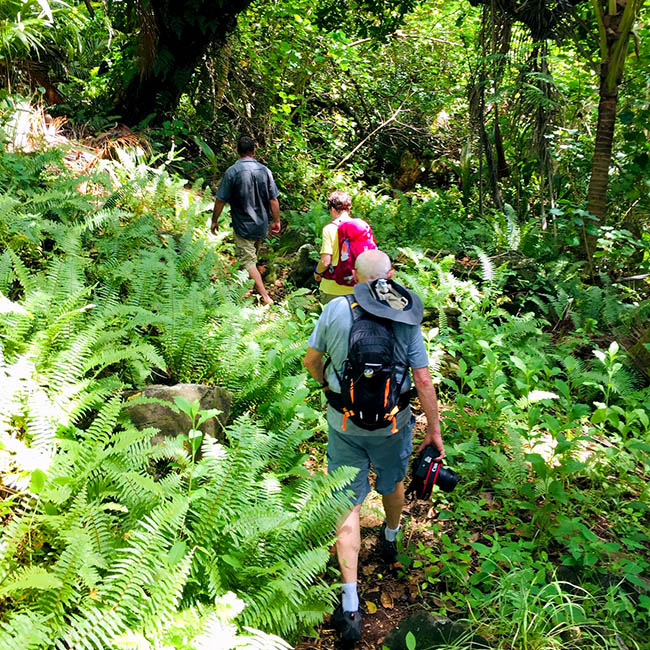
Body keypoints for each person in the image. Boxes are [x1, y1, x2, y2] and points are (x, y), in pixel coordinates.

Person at [303, 249, 445, 642]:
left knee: (347, 504)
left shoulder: (334, 310)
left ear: (353, 277)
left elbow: (311, 360)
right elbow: (423, 379)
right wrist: (434, 430)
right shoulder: (405, 315)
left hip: (344, 422)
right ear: (391, 275)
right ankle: (390, 537)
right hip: (392, 424)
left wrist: (330, 388)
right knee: (393, 482)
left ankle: (349, 606)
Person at [211, 135, 280, 305]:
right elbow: (273, 199)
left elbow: (220, 199)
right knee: (250, 260)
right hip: (261, 225)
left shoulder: (232, 172)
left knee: (249, 262)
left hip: (243, 226)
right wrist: (276, 220)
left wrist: (215, 220)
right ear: (254, 150)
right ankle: (243, 292)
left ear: (237, 151)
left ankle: (265, 297)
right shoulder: (265, 171)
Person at [314, 191, 375, 304]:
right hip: (359, 287)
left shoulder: (330, 229)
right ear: (349, 208)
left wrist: (317, 272)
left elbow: (325, 261)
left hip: (333, 288)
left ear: (332, 209)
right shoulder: (361, 227)